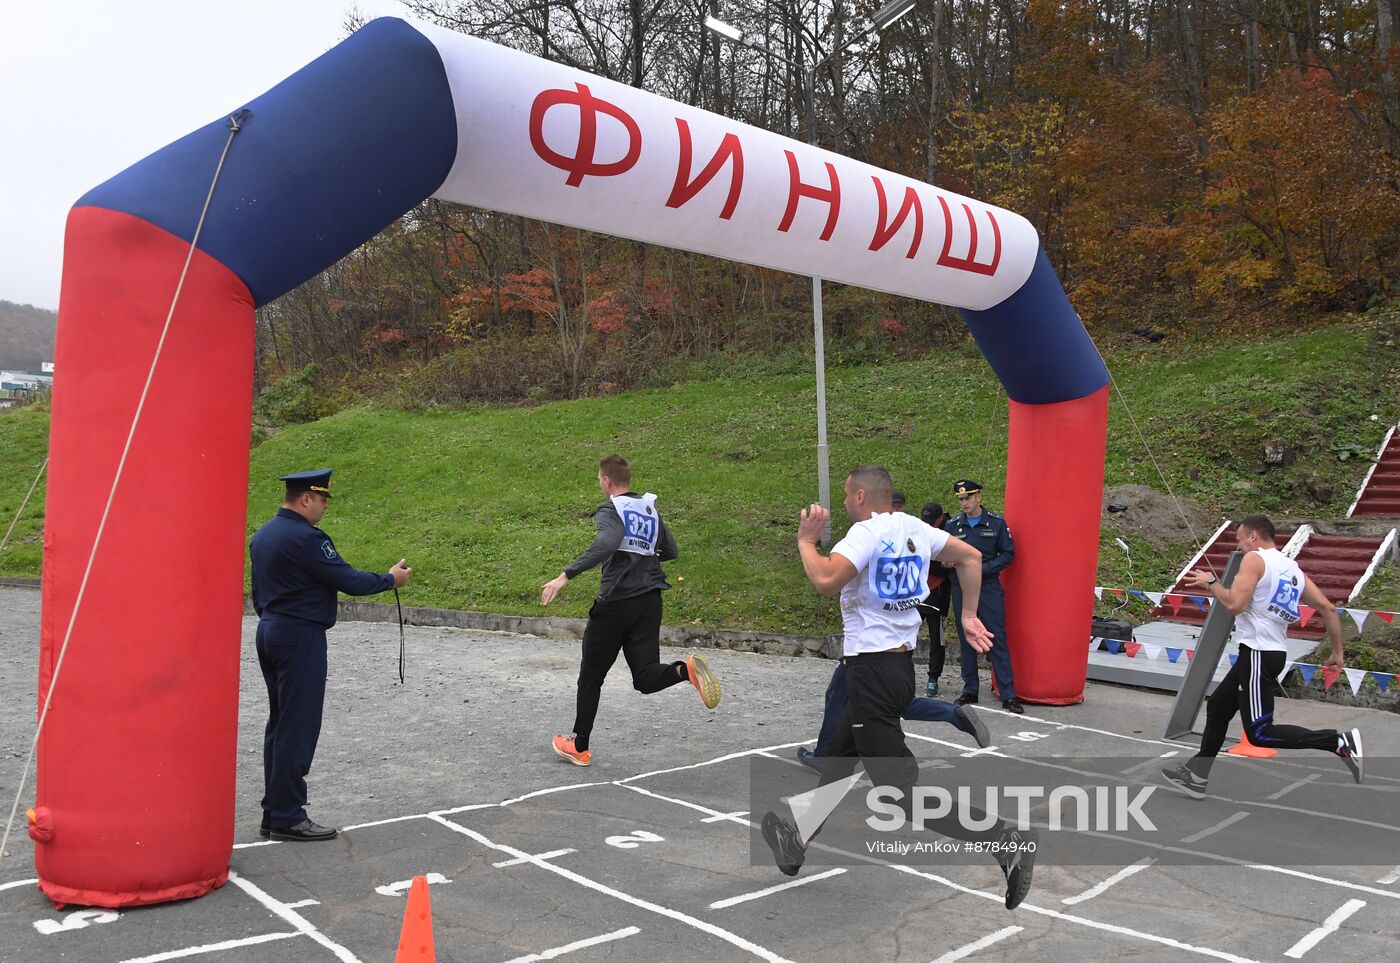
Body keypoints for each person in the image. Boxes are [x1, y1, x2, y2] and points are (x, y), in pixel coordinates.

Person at [761, 465, 1037, 910]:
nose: (848, 505)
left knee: (898, 791)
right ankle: (796, 838)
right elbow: (971, 557)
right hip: (887, 666)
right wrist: (966, 616)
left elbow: (826, 580)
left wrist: (806, 542)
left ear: (864, 497)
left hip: (871, 670)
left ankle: (1005, 837)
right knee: (837, 763)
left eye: (850, 498)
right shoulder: (918, 530)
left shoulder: (865, 534)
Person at [250, 469, 412, 841]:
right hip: (300, 636)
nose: (324, 507)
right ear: (306, 498)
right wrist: (390, 579)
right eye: (322, 500)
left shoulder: (263, 536)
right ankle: (288, 815)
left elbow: (258, 592)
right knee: (298, 726)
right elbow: (350, 581)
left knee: (279, 725)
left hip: (270, 629)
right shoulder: (307, 539)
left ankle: (274, 811)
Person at [1162, 515, 1362, 798]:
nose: (1240, 546)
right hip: (1267, 652)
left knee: (1259, 733)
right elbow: (1328, 608)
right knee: (1219, 706)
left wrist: (1211, 583)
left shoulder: (1254, 560)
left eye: (1240, 539)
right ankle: (1196, 775)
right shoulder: (1292, 569)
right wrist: (1338, 653)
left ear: (1253, 536)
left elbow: (1234, 604)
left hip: (1258, 652)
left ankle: (1337, 741)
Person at [541, 454, 720, 766]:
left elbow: (606, 543)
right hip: (650, 601)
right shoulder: (649, 508)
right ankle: (685, 669)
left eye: (599, 479)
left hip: (616, 604)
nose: (599, 484)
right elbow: (671, 550)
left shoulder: (611, 509)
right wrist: (643, 561)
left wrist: (564, 576)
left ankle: (579, 747)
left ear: (608, 481)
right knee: (645, 677)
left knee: (591, 676)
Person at [945, 480, 1022, 713]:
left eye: (968, 497)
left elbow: (1008, 554)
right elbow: (942, 552)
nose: (964, 503)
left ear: (978, 497)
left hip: (987, 588)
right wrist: (946, 561)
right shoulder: (953, 526)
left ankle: (1008, 694)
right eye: (961, 499)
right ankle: (970, 689)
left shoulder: (996, 524)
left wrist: (980, 571)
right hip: (960, 588)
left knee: (996, 637)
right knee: (967, 637)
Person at [920, 501, 952, 697]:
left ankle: (934, 678)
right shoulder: (920, 529)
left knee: (937, 640)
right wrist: (936, 564)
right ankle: (902, 673)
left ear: (940, 518)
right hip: (918, 593)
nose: (929, 524)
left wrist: (932, 564)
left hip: (939, 596)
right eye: (926, 520)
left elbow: (950, 566)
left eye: (932, 520)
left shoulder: (950, 533)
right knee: (905, 633)